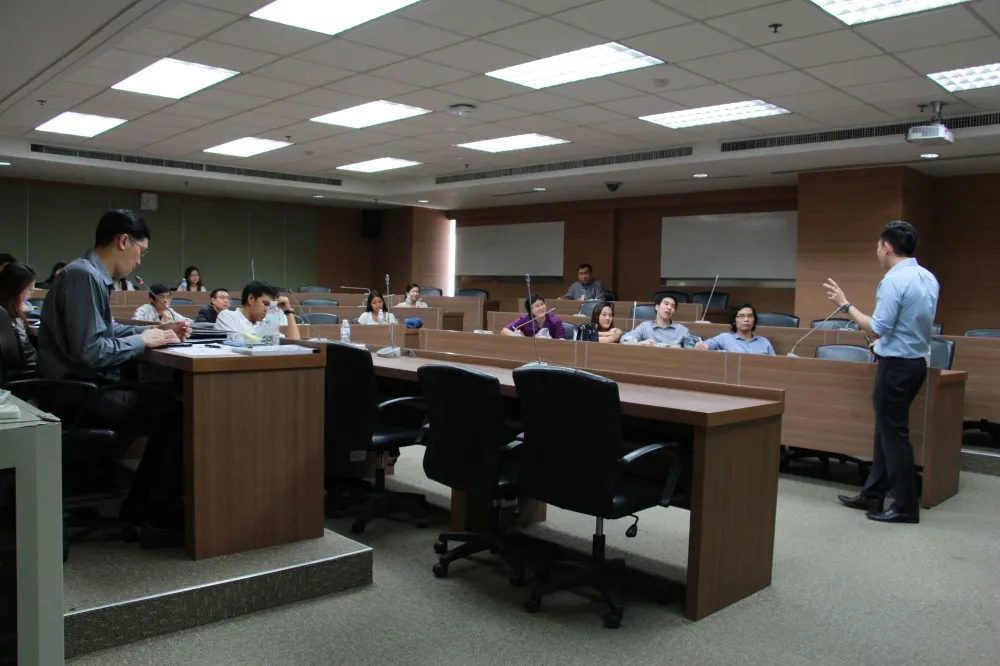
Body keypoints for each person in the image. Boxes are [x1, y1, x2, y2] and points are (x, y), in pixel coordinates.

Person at [38, 210, 191, 544]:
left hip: (78, 386)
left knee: (168, 403)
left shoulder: (86, 273)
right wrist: (143, 341)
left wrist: (157, 330)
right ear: (124, 241)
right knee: (179, 416)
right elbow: (91, 351)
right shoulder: (84, 277)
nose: (139, 261)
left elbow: (105, 330)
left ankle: (141, 509)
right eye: (141, 251)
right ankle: (151, 516)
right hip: (78, 393)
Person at [824, 221, 939, 525]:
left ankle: (905, 506)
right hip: (915, 363)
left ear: (887, 247)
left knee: (895, 437)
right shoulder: (927, 277)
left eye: (878, 246)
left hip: (896, 367)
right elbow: (910, 325)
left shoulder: (893, 280)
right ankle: (873, 493)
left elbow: (877, 327)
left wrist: (845, 305)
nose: (877, 251)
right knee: (887, 432)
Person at [215, 281, 301, 340]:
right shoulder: (227, 316)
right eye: (266, 304)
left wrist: (288, 312)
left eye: (270, 305)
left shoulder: (266, 322)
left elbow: (294, 344)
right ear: (251, 299)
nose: (267, 310)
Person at [621, 293, 699, 347]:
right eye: (666, 304)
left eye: (673, 306)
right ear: (657, 307)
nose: (669, 308)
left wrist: (679, 347)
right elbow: (625, 340)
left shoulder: (682, 330)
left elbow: (691, 351)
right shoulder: (645, 326)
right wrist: (641, 343)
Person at [695, 303, 776, 355]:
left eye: (750, 316)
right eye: (741, 316)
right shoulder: (725, 338)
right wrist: (702, 345)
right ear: (734, 321)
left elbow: (774, 364)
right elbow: (705, 345)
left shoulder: (764, 342)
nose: (746, 319)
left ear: (754, 320)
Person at [0, 262, 38, 367]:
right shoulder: (9, 317)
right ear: (16, 289)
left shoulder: (6, 310)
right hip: (29, 371)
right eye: (30, 288)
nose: (31, 292)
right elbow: (28, 356)